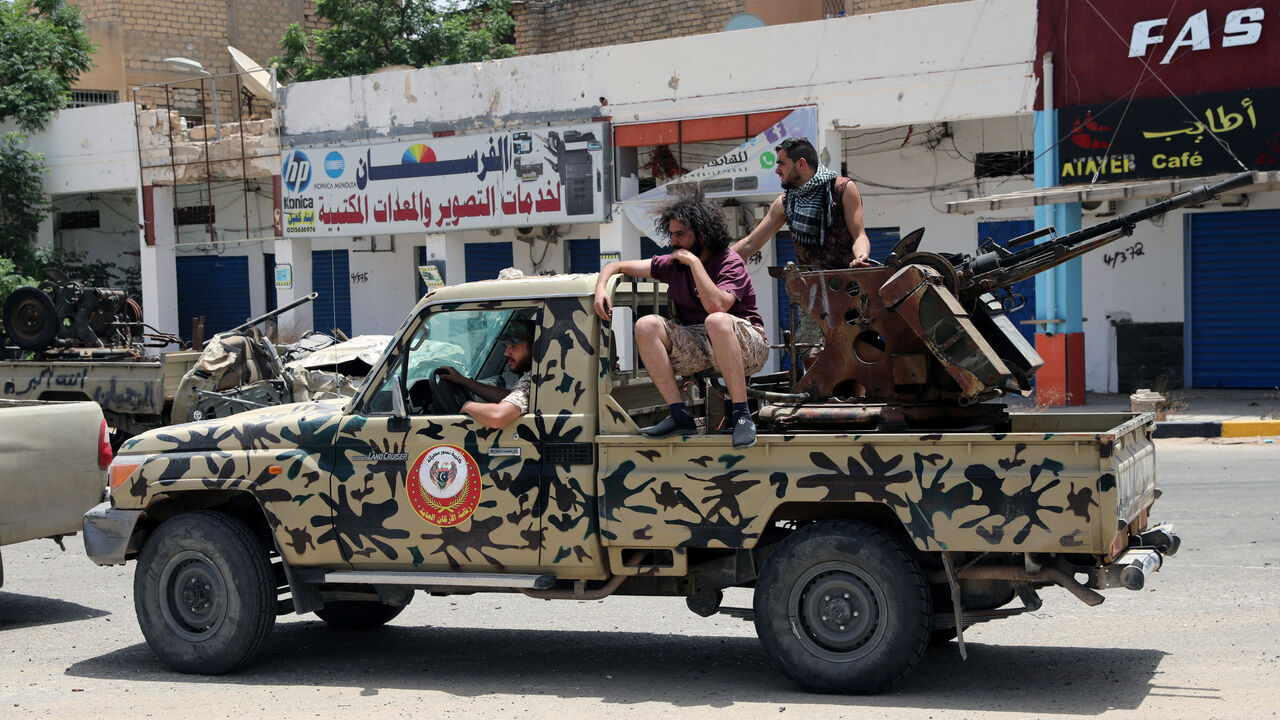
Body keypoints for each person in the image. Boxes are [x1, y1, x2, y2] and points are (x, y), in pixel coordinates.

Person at [594, 196, 768, 449]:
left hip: (746, 345)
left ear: (703, 234)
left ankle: (741, 414)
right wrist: (602, 288)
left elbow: (716, 306)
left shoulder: (730, 262)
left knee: (716, 321)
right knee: (646, 325)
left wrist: (696, 264)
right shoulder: (672, 265)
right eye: (672, 234)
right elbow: (617, 265)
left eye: (681, 234)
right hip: (699, 346)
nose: (673, 241)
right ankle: (679, 415)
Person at [731, 137, 872, 269]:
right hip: (809, 289)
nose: (777, 171)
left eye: (781, 164)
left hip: (846, 286)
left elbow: (859, 236)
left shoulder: (841, 189)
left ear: (801, 163)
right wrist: (715, 262)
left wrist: (861, 257)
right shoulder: (786, 202)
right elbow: (751, 243)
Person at [437, 319, 534, 429]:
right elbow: (510, 396)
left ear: (534, 348)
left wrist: (467, 406)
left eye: (514, 346)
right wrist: (464, 381)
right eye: (506, 346)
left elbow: (497, 417)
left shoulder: (534, 379)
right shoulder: (537, 377)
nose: (506, 353)